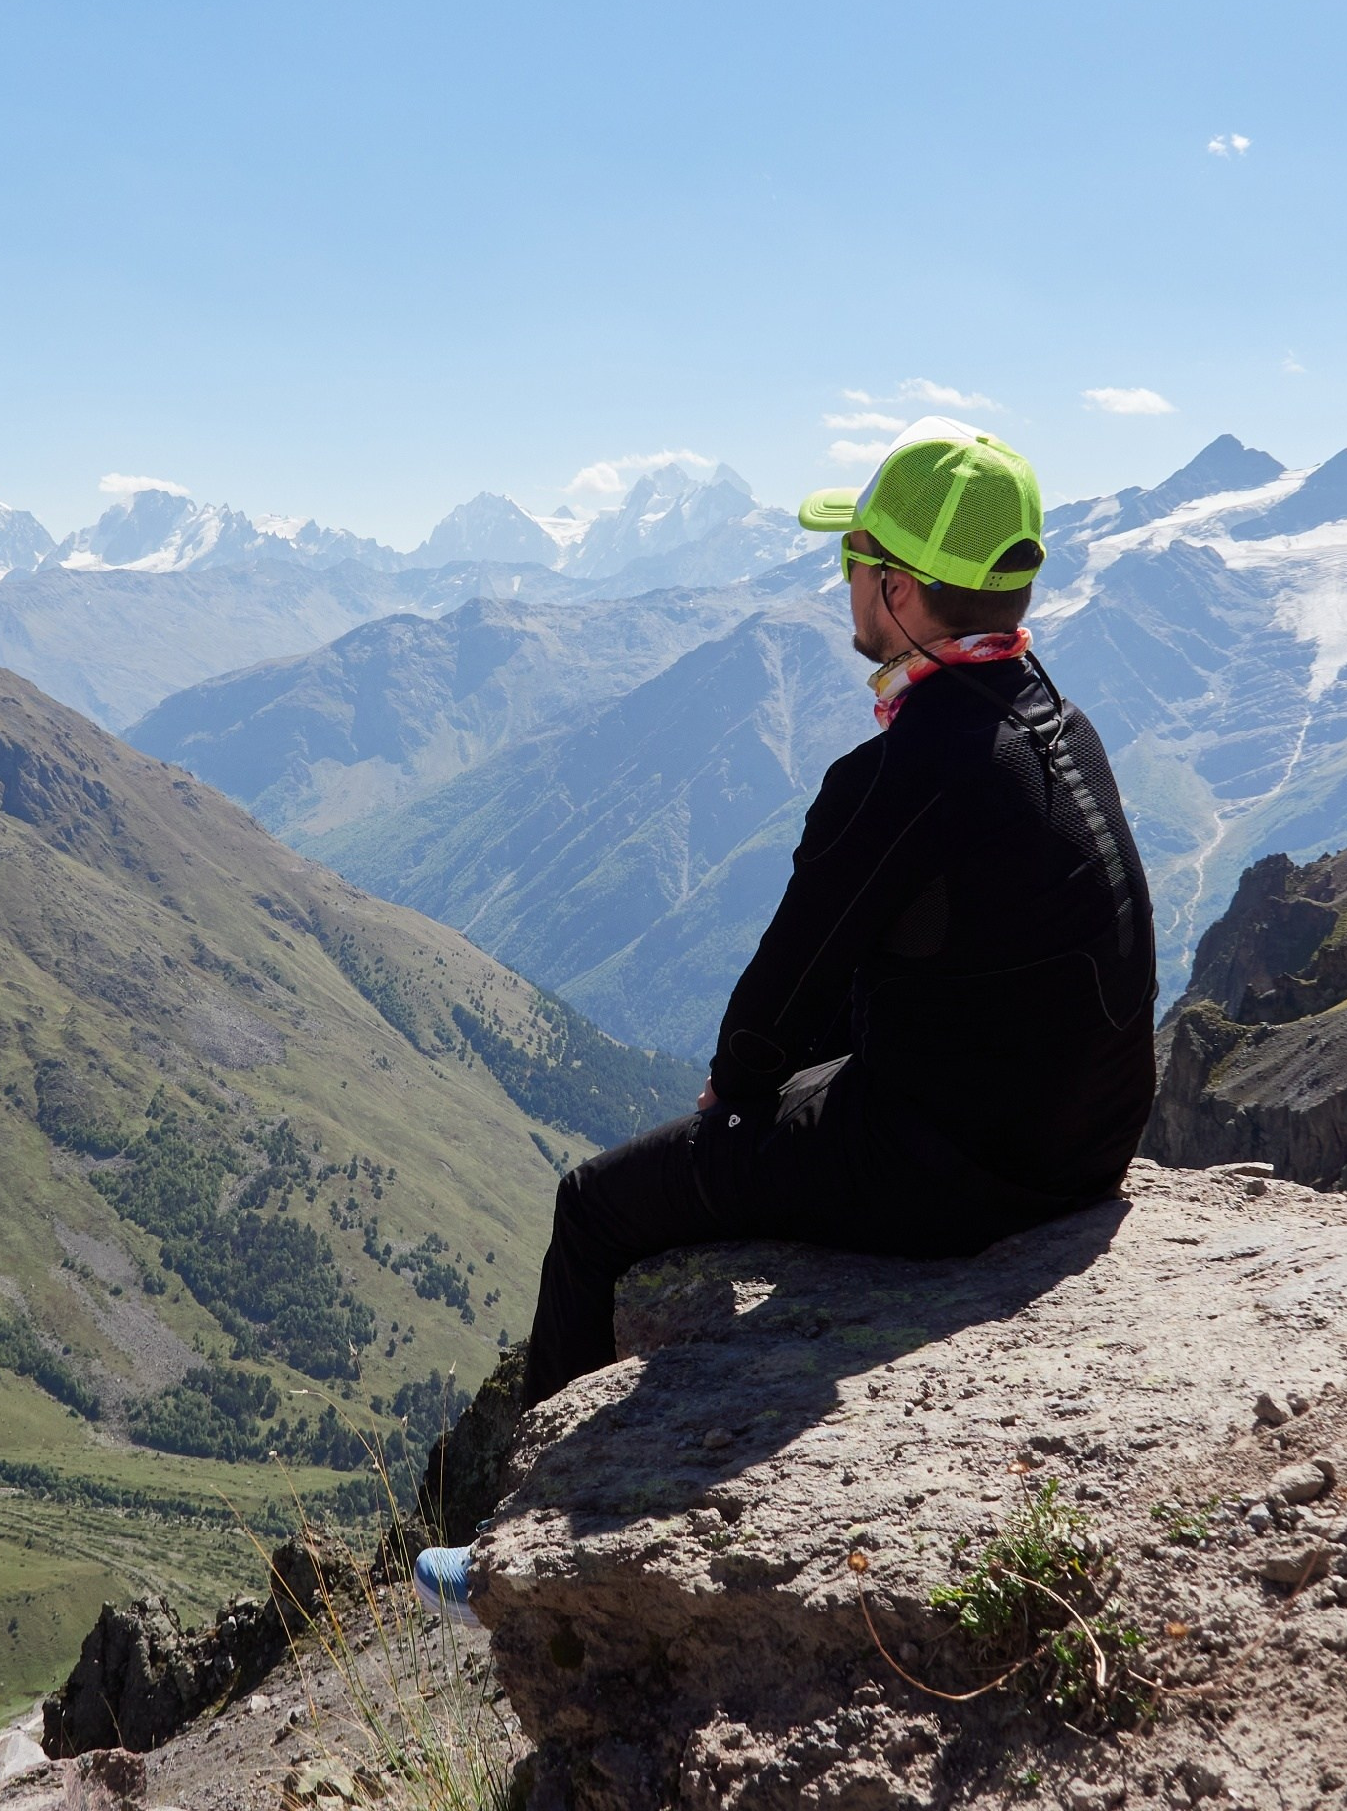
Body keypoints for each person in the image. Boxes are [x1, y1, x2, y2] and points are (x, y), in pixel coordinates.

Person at [415, 418, 1156, 1627]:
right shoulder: (1057, 723)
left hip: (960, 1172)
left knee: (594, 1210)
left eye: (851, 563)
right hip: (1085, 1142)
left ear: (901, 590)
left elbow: (779, 999)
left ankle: (514, 1567)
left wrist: (734, 1108)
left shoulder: (903, 771)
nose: (842, 588)